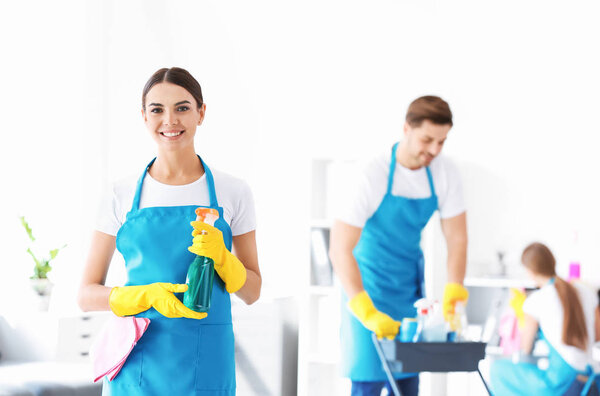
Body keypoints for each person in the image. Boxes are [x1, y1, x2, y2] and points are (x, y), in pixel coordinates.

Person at [77, 67, 261, 396]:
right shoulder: (117, 195)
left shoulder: (233, 191)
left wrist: (224, 259)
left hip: (205, 364)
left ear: (201, 113)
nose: (170, 121)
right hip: (136, 364)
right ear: (144, 117)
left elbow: (252, 291)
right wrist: (144, 295)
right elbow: (86, 295)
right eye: (157, 110)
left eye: (182, 107)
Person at [329, 96, 468, 396]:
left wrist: (454, 290)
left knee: (406, 383)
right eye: (427, 139)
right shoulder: (371, 173)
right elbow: (340, 248)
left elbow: (457, 237)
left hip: (408, 291)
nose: (434, 150)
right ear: (406, 128)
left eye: (441, 142)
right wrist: (366, 311)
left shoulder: (445, 173)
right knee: (367, 382)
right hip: (366, 288)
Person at [491, 242, 599, 396]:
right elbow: (597, 336)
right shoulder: (586, 291)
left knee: (498, 369)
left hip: (564, 385)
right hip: (593, 379)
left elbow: (525, 349)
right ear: (552, 262)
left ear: (530, 271)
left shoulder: (535, 302)